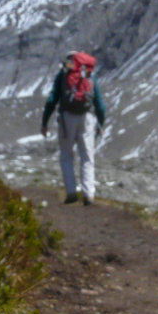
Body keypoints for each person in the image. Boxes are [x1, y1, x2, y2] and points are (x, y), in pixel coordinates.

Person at [41, 51, 106, 206]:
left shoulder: (63, 76)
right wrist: (100, 124)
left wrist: (44, 123)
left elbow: (51, 100)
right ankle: (88, 194)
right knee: (87, 157)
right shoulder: (89, 76)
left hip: (66, 118)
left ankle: (71, 192)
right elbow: (99, 105)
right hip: (87, 119)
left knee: (66, 155)